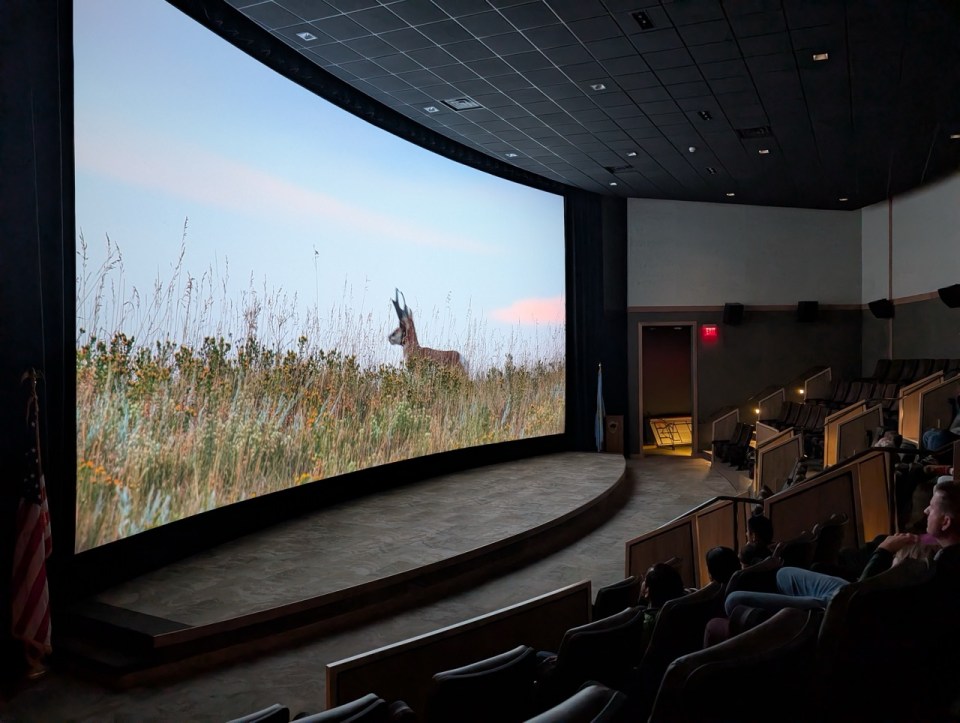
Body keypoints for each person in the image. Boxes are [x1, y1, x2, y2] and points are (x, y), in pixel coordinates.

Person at [724, 478, 960, 616]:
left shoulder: (932, 570)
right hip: (859, 590)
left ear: (946, 522)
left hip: (845, 606)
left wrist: (884, 552)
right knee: (785, 573)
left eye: (931, 507)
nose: (926, 511)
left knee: (733, 599)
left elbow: (860, 596)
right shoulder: (947, 548)